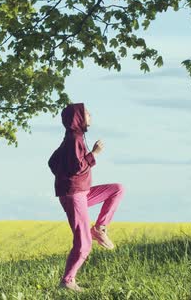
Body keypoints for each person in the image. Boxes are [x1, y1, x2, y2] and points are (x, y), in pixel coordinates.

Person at [48, 103, 125, 292]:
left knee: (117, 189)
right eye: (87, 113)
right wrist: (95, 153)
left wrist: (63, 176)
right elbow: (78, 167)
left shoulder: (73, 138)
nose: (90, 115)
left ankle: (100, 228)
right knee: (84, 243)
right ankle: (67, 281)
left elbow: (52, 161)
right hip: (74, 195)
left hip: (81, 191)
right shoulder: (74, 138)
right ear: (79, 118)